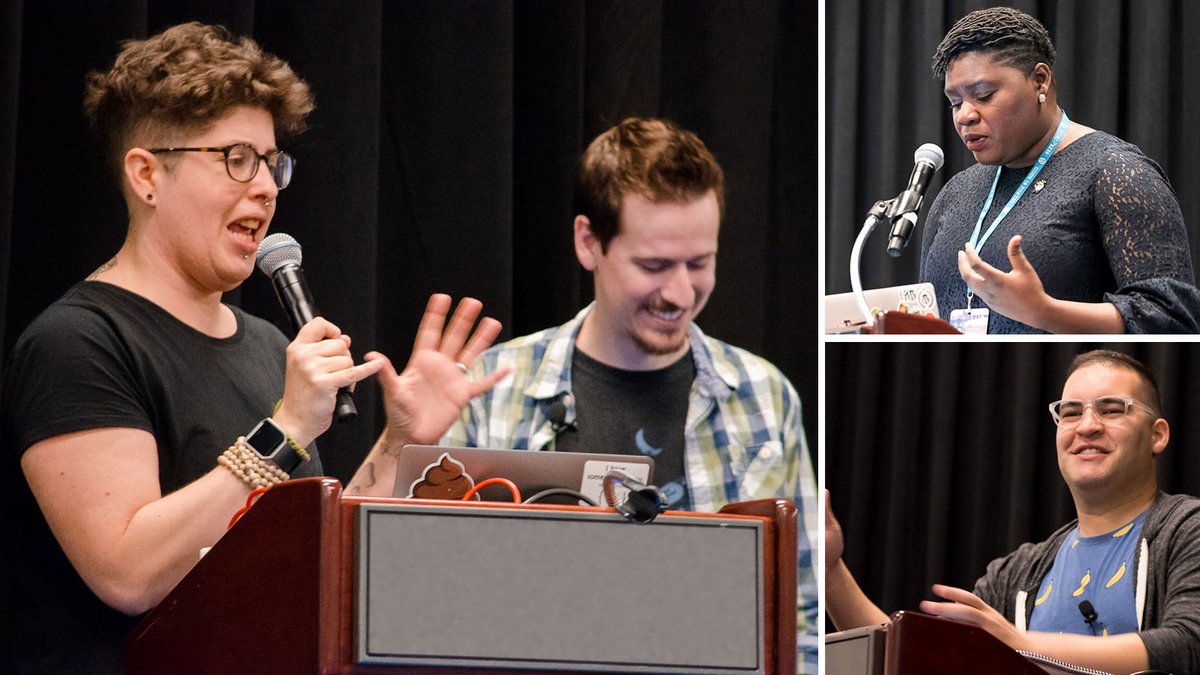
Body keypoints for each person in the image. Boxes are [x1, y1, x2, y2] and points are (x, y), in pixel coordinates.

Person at [0, 23, 506, 674]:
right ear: (147, 174)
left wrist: (401, 441)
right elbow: (127, 571)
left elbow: (308, 565)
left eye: (273, 162)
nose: (266, 186)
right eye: (236, 158)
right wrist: (287, 427)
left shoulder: (267, 343)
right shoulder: (78, 343)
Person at [440, 117, 819, 672]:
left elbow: (801, 617)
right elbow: (433, 600)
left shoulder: (764, 397)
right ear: (588, 242)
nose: (682, 292)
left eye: (700, 262)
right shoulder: (492, 389)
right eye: (654, 265)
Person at [826, 350, 1200, 674]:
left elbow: (1187, 645)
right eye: (1070, 413)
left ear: (1157, 434)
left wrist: (1013, 641)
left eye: (1111, 409)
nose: (1087, 426)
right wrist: (829, 572)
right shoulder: (1016, 574)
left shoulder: (1187, 530)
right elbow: (916, 661)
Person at [918, 7, 1200, 334]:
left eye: (984, 95)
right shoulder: (955, 193)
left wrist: (1045, 312)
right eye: (955, 101)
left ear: (1040, 79)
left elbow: (1175, 319)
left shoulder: (1116, 172)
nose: (965, 115)